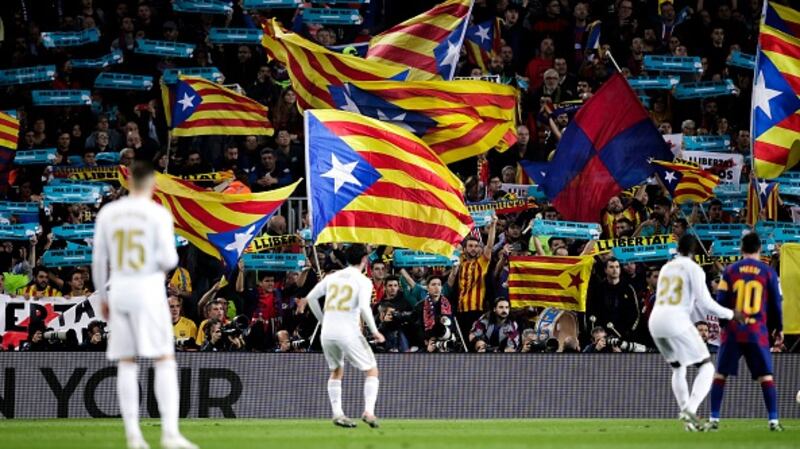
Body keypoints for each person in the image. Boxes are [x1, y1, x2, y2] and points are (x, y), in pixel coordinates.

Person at [92, 161, 197, 449]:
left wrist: (102, 297)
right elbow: (169, 260)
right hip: (149, 290)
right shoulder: (157, 214)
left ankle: (134, 436)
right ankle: (170, 434)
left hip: (121, 291)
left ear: (128, 183)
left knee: (127, 362)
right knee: (163, 359)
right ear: (151, 184)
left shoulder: (109, 213)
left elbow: (99, 261)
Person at [648, 234, 738, 431]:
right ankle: (690, 408)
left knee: (678, 368)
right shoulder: (694, 268)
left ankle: (688, 421)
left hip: (655, 321)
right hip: (676, 320)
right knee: (706, 367)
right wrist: (732, 314)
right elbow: (706, 303)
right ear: (694, 252)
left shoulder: (666, 268)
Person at [707, 233, 785, 432]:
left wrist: (725, 323)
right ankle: (773, 421)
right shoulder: (768, 272)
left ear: (741, 249)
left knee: (720, 374)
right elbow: (776, 303)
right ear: (760, 249)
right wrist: (778, 329)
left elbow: (721, 300)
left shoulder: (730, 271)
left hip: (734, 330)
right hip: (756, 331)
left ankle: (714, 418)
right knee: (765, 376)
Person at [302, 244, 385, 428]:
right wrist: (374, 331)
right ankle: (369, 412)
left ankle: (338, 413)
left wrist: (323, 321)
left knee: (336, 371)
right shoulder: (363, 281)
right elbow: (364, 308)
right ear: (365, 259)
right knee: (371, 369)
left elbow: (310, 298)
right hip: (348, 331)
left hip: (328, 333)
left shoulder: (333, 276)